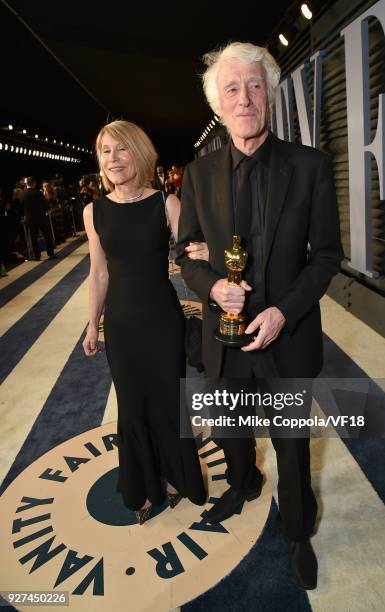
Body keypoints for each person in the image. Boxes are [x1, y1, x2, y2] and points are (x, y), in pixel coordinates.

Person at [176, 42, 343, 589]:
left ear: (268, 96)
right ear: (218, 106)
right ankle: (242, 483)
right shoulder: (197, 176)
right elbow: (186, 252)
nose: (244, 98)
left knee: (291, 447)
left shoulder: (310, 166)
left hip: (286, 337)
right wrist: (212, 286)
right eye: (232, 89)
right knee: (231, 431)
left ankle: (296, 529)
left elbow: (325, 257)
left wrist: (283, 313)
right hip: (222, 339)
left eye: (254, 87)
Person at [82, 119, 208, 524]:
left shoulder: (166, 203)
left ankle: (177, 477)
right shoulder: (93, 211)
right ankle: (144, 484)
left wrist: (208, 258)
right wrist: (91, 324)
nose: (113, 159)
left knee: (169, 400)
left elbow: (192, 256)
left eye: (121, 149)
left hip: (162, 320)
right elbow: (98, 273)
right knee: (132, 405)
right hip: (120, 324)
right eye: (105, 151)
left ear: (139, 153)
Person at [19, 177, 56, 261]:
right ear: (34, 183)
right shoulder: (38, 193)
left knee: (33, 238)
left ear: (27, 184)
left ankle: (37, 256)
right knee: (47, 235)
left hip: (30, 219)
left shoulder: (22, 194)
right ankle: (50, 253)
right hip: (41, 217)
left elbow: (21, 208)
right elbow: (45, 205)